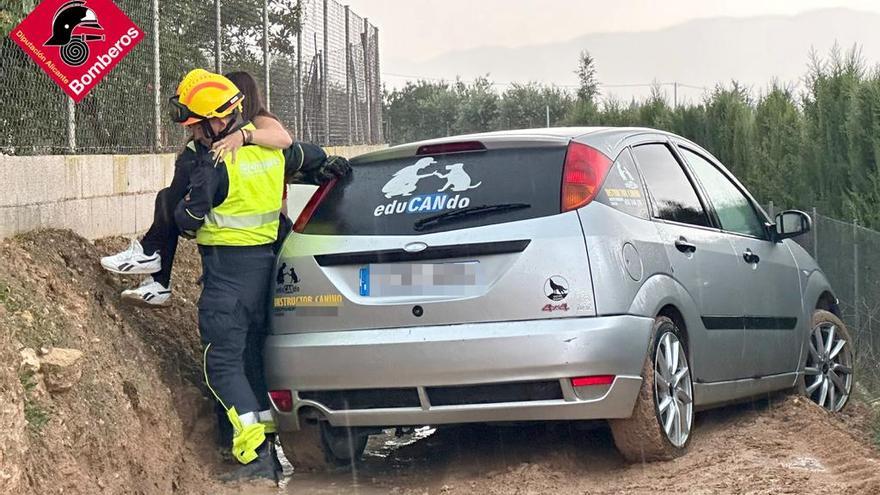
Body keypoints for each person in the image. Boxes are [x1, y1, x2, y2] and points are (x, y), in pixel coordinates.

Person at [167, 68, 350, 483]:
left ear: (216, 122)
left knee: (223, 366)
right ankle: (267, 459)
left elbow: (187, 219)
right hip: (264, 274)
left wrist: (184, 205)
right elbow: (315, 157)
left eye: (195, 126)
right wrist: (334, 169)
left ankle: (254, 463)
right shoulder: (274, 153)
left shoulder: (215, 162)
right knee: (252, 364)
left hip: (226, 278)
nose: (193, 134)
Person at [100, 71, 293, 307]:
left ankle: (153, 262)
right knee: (168, 198)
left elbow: (285, 139)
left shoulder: (259, 121)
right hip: (238, 231)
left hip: (262, 231)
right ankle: (155, 268)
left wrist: (243, 136)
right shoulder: (207, 140)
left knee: (172, 202)